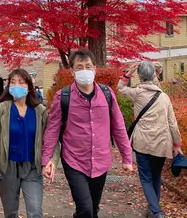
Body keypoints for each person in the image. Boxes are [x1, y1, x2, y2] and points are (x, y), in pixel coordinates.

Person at [42, 49, 133, 218]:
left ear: (95, 69)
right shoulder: (63, 96)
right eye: (80, 67)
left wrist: (127, 157)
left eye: (88, 66)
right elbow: (52, 130)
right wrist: (47, 159)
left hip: (101, 160)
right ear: (72, 71)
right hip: (74, 160)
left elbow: (119, 127)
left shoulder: (107, 95)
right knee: (85, 209)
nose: (85, 70)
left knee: (93, 208)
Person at [0, 69, 58, 218]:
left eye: (21, 82)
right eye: (13, 82)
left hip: (32, 166)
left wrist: (51, 161)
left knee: (35, 210)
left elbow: (50, 138)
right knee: (10, 212)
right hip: (8, 166)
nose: (16, 85)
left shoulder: (40, 111)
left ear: (29, 87)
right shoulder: (2, 110)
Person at [118, 61, 183, 218]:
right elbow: (172, 123)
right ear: (155, 75)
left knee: (146, 178)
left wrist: (129, 72)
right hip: (162, 143)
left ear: (140, 76)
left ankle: (156, 212)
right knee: (155, 177)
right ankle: (153, 209)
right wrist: (177, 144)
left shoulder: (137, 93)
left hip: (142, 143)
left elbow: (120, 88)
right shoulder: (164, 97)